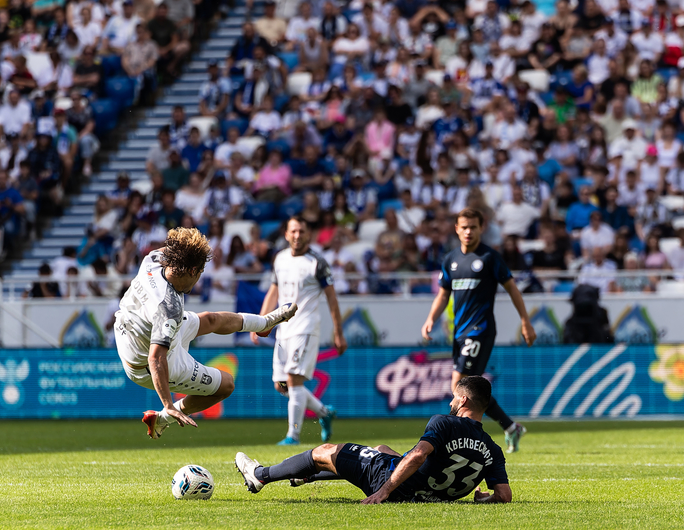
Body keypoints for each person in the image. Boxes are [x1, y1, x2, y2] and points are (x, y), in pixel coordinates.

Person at [116, 227, 299, 439]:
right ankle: (162, 418)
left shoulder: (155, 258)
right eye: (200, 273)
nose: (198, 280)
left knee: (211, 319)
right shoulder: (169, 309)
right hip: (145, 364)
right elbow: (156, 358)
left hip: (134, 327)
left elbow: (179, 248)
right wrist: (169, 405)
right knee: (226, 384)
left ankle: (264, 323)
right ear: (192, 270)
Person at [235, 375, 512, 504]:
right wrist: (484, 500)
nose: (451, 400)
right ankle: (308, 477)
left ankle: (260, 476)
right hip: (427, 496)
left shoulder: (445, 422)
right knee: (380, 450)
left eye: (455, 396)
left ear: (463, 399)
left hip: (393, 485)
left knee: (326, 451)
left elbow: (417, 456)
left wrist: (384, 491)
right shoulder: (493, 448)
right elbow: (503, 495)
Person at [421, 208, 536, 453]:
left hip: (480, 330)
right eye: (464, 227)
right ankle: (510, 427)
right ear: (456, 228)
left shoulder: (490, 258)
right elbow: (443, 294)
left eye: (473, 226)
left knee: (458, 385)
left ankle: (457, 436)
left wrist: (525, 321)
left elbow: (513, 289)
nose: (468, 231)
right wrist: (431, 318)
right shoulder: (451, 260)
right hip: (460, 332)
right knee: (469, 389)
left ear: (481, 228)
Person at [252, 216, 347, 445]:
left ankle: (292, 436)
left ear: (309, 235)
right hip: (283, 330)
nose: (297, 236)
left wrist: (338, 331)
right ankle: (324, 412)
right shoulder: (280, 259)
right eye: (293, 231)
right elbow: (273, 293)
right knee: (281, 385)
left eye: (302, 231)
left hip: (305, 327)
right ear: (286, 234)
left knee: (294, 380)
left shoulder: (317, 262)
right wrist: (260, 323)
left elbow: (332, 299)